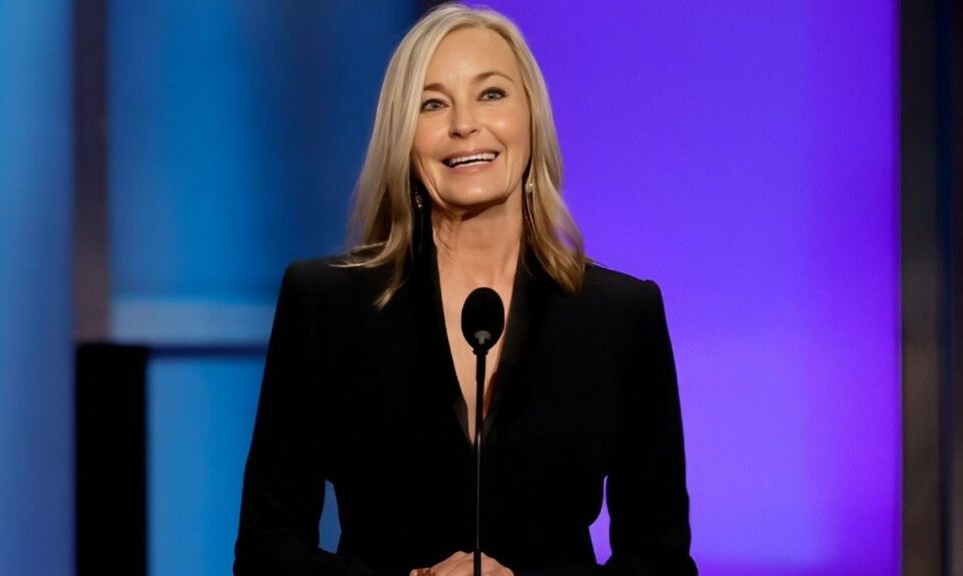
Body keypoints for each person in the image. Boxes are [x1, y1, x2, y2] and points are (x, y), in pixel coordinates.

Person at [233, 4, 697, 575]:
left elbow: (660, 559)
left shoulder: (621, 316)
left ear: (531, 118)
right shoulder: (323, 305)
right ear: (403, 137)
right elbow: (266, 550)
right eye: (432, 104)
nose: (464, 124)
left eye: (492, 94)